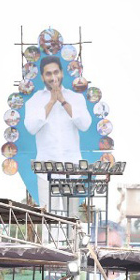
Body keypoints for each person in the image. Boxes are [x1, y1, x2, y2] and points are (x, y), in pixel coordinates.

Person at [23, 55, 92, 189]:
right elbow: (31, 128)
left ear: (61, 73)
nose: (53, 77)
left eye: (56, 72)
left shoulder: (76, 98)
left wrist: (63, 101)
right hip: (45, 168)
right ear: (42, 77)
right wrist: (51, 102)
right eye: (48, 74)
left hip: (73, 167)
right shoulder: (34, 101)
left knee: (72, 210)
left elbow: (85, 125)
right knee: (47, 209)